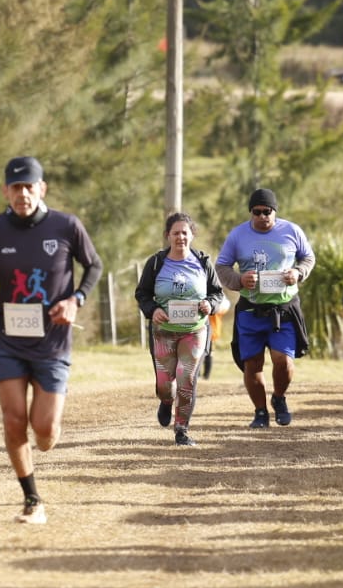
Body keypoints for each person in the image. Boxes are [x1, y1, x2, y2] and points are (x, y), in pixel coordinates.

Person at [0, 156, 103, 524]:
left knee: (45, 432)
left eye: (29, 186)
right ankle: (32, 499)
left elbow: (94, 265)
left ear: (42, 188)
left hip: (53, 341)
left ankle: (48, 430)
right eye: (16, 187)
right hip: (8, 339)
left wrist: (76, 300)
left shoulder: (66, 226)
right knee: (13, 420)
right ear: (5, 191)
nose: (23, 193)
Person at [216, 188, 315, 430]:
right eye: (256, 212)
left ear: (274, 211)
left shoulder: (292, 231)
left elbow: (308, 258)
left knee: (284, 361)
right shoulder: (237, 235)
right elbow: (222, 266)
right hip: (251, 310)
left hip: (283, 309)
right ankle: (260, 412)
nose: (262, 216)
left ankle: (279, 398)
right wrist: (239, 280)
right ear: (251, 212)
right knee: (252, 364)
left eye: (267, 211)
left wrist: (298, 272)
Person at [135, 212, 228, 446]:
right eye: (175, 233)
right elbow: (142, 293)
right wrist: (153, 309)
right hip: (163, 332)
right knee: (165, 385)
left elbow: (217, 294)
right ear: (167, 236)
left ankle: (181, 430)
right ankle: (166, 401)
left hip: (195, 330)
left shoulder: (203, 262)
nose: (180, 237)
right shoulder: (156, 263)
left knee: (186, 378)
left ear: (192, 235)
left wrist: (210, 304)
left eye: (185, 233)